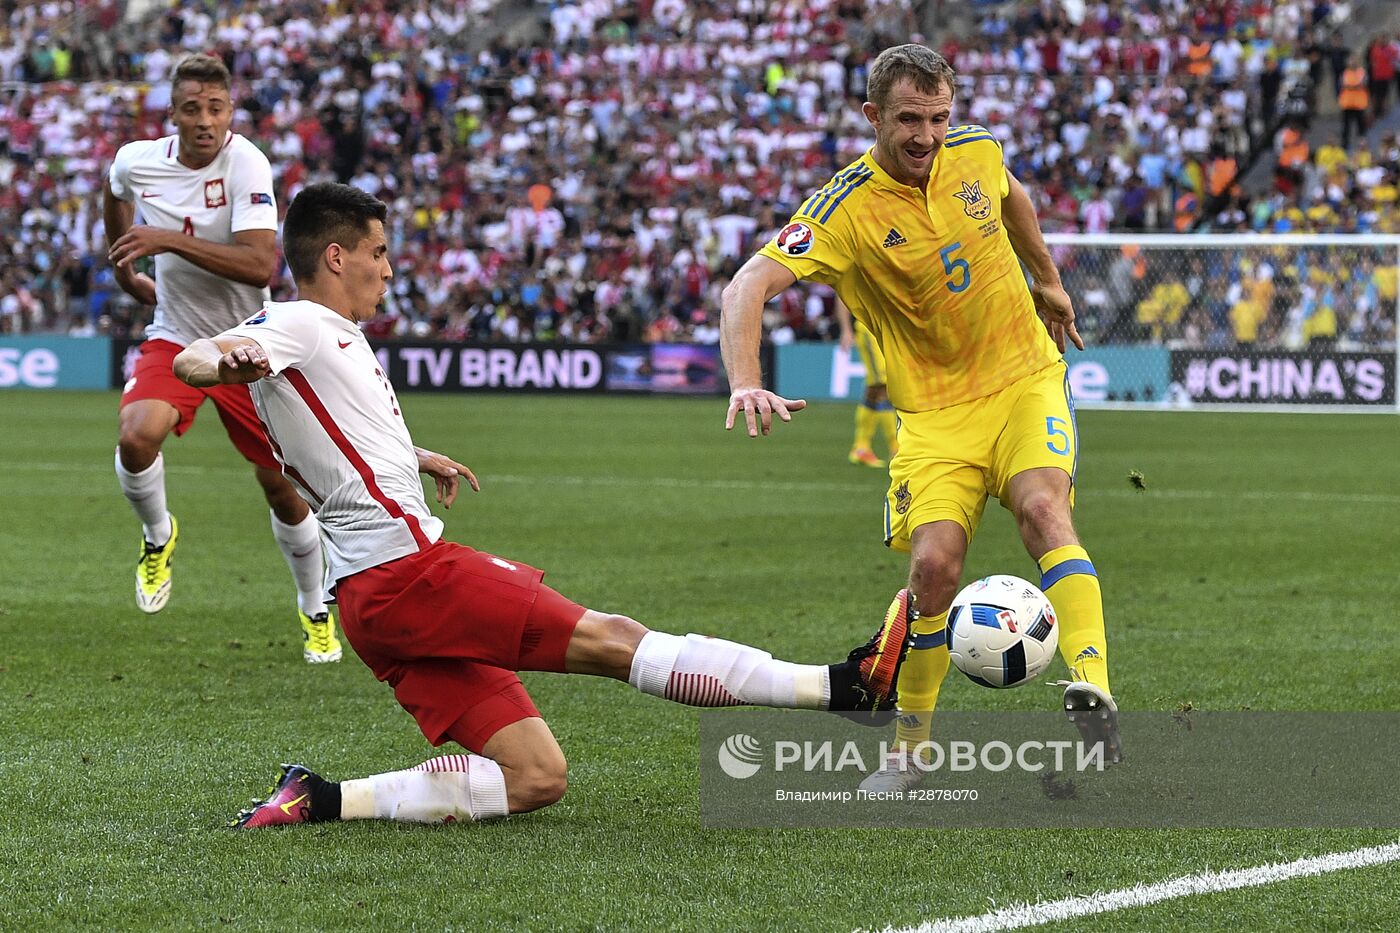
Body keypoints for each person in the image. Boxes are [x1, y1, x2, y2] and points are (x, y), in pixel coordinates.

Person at [172, 182, 910, 827]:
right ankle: (845, 685)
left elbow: (329, 429)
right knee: (618, 640)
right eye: (379, 252)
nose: (390, 269)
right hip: (409, 575)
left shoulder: (330, 337)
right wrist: (219, 360)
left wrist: (411, 455)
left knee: (536, 777)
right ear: (336, 257)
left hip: (371, 603)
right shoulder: (297, 324)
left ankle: (319, 797)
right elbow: (196, 357)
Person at [719, 44, 1119, 790]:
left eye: (939, 117)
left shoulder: (976, 152)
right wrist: (746, 378)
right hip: (934, 415)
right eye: (909, 118)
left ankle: (1093, 686)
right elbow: (746, 287)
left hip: (1025, 378)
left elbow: (1012, 197)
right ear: (873, 116)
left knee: (1042, 507)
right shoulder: (840, 209)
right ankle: (911, 748)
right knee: (933, 568)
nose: (927, 136)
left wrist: (1049, 280)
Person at [104, 53, 340, 663]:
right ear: (173, 114)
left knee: (283, 490)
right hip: (175, 332)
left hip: (244, 345)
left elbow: (261, 263)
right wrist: (126, 263)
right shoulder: (139, 160)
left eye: (216, 108)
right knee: (136, 436)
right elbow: (115, 190)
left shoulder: (247, 163)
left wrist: (163, 240)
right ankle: (158, 537)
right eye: (192, 109)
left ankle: (315, 607)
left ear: (230, 111)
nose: (205, 120)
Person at [835, 296, 898, 468]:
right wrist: (846, 330)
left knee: (874, 389)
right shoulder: (858, 268)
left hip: (886, 328)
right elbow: (841, 294)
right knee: (884, 385)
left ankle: (861, 447)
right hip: (869, 329)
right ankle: (895, 447)